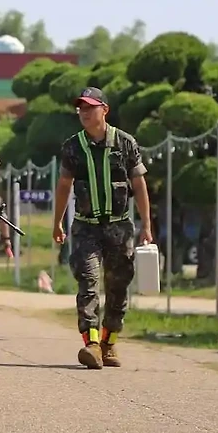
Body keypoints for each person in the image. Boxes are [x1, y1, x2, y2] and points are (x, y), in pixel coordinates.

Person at [53, 86, 154, 370]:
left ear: (104, 110)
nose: (84, 113)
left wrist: (147, 224)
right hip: (85, 228)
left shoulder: (125, 143)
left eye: (90, 107)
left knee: (118, 286)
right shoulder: (72, 147)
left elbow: (139, 185)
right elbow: (64, 186)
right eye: (81, 108)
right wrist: (57, 221)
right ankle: (92, 344)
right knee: (88, 282)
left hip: (119, 227)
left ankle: (109, 343)